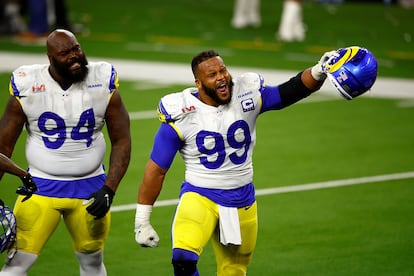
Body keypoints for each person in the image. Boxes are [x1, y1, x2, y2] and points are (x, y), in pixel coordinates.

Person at [134, 49, 337, 275]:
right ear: (199, 83)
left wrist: (319, 71)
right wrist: (142, 221)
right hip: (200, 195)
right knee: (183, 260)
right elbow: (157, 170)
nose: (221, 77)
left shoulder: (245, 95)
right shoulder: (182, 113)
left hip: (242, 199)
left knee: (234, 270)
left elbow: (289, 91)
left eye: (223, 70)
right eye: (212, 75)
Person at [0, 29, 131, 275]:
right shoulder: (28, 84)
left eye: (76, 48)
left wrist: (110, 188)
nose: (75, 56)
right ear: (51, 58)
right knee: (15, 266)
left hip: (90, 188)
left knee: (92, 263)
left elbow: (122, 140)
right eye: (65, 53)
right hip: (39, 187)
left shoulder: (101, 80)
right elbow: (3, 147)